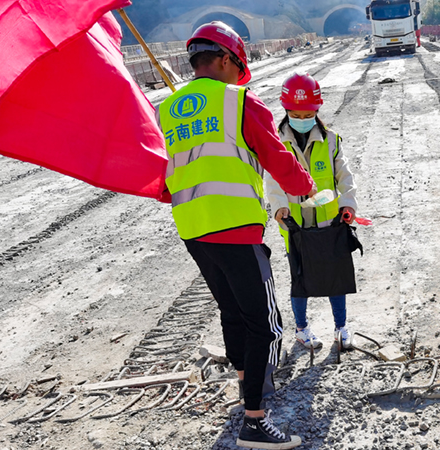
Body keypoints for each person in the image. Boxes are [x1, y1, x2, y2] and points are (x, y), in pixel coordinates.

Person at [157, 22, 316, 450]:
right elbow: (277, 155)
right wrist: (304, 187)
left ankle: (249, 388)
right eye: (237, 65)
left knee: (231, 311)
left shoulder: (168, 108)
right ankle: (254, 421)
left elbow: (166, 177)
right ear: (226, 59)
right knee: (264, 323)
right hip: (235, 225)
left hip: (193, 229)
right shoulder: (239, 101)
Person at [267, 73, 358, 351]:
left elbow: (344, 174)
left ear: (317, 110)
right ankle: (301, 329)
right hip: (294, 223)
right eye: (295, 113)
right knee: (300, 279)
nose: (302, 117)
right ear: (286, 109)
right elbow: (272, 177)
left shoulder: (330, 139)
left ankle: (341, 328)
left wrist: (348, 204)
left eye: (308, 113)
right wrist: (279, 206)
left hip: (328, 221)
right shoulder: (275, 141)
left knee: (335, 276)